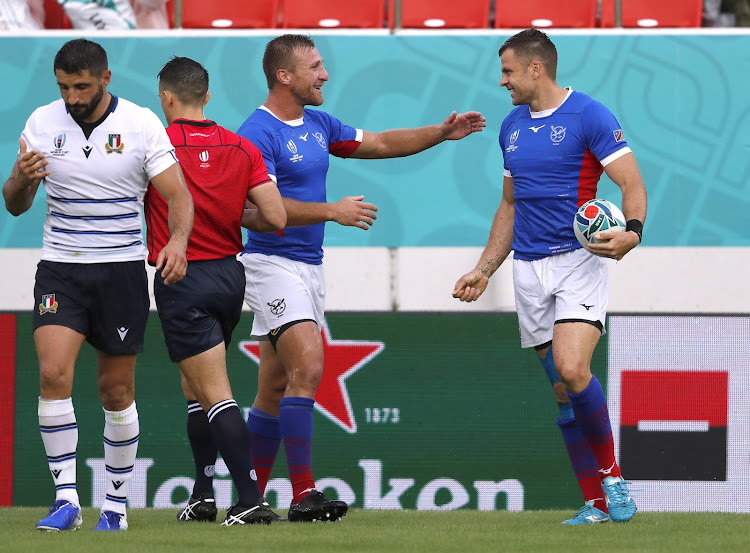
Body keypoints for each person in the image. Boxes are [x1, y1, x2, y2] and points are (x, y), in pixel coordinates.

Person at [177, 33, 485, 523]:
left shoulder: (318, 123)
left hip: (309, 267)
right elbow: (256, 215)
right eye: (315, 66)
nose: (324, 75)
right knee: (310, 367)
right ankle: (303, 493)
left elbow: (379, 142)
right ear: (285, 76)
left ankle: (247, 499)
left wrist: (440, 132)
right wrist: (331, 211)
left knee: (274, 387)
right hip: (271, 266)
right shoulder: (257, 134)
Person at [452, 28, 646, 525]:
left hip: (578, 263)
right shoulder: (511, 126)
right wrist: (483, 268)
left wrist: (633, 232)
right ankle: (597, 504)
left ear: (536, 68)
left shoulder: (590, 115)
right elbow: (509, 205)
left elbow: (631, 182)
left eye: (508, 71)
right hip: (527, 271)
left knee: (573, 368)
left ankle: (613, 476)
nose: (502, 82)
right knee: (562, 390)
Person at [2, 39, 193, 531]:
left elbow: (178, 195)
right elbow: (15, 203)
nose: (71, 96)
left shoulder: (142, 123)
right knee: (52, 376)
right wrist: (22, 179)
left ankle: (115, 505)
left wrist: (177, 241)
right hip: (61, 270)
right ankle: (66, 500)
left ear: (106, 79)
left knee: (115, 390)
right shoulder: (41, 123)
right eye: (64, 87)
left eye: (81, 86)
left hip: (121, 271)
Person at [145, 56, 287, 525]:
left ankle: (250, 500)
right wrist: (228, 216)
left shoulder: (157, 144)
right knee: (196, 389)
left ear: (166, 97)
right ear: (207, 96)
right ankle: (202, 493)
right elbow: (274, 217)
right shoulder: (241, 146)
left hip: (182, 277)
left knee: (215, 393)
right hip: (230, 277)